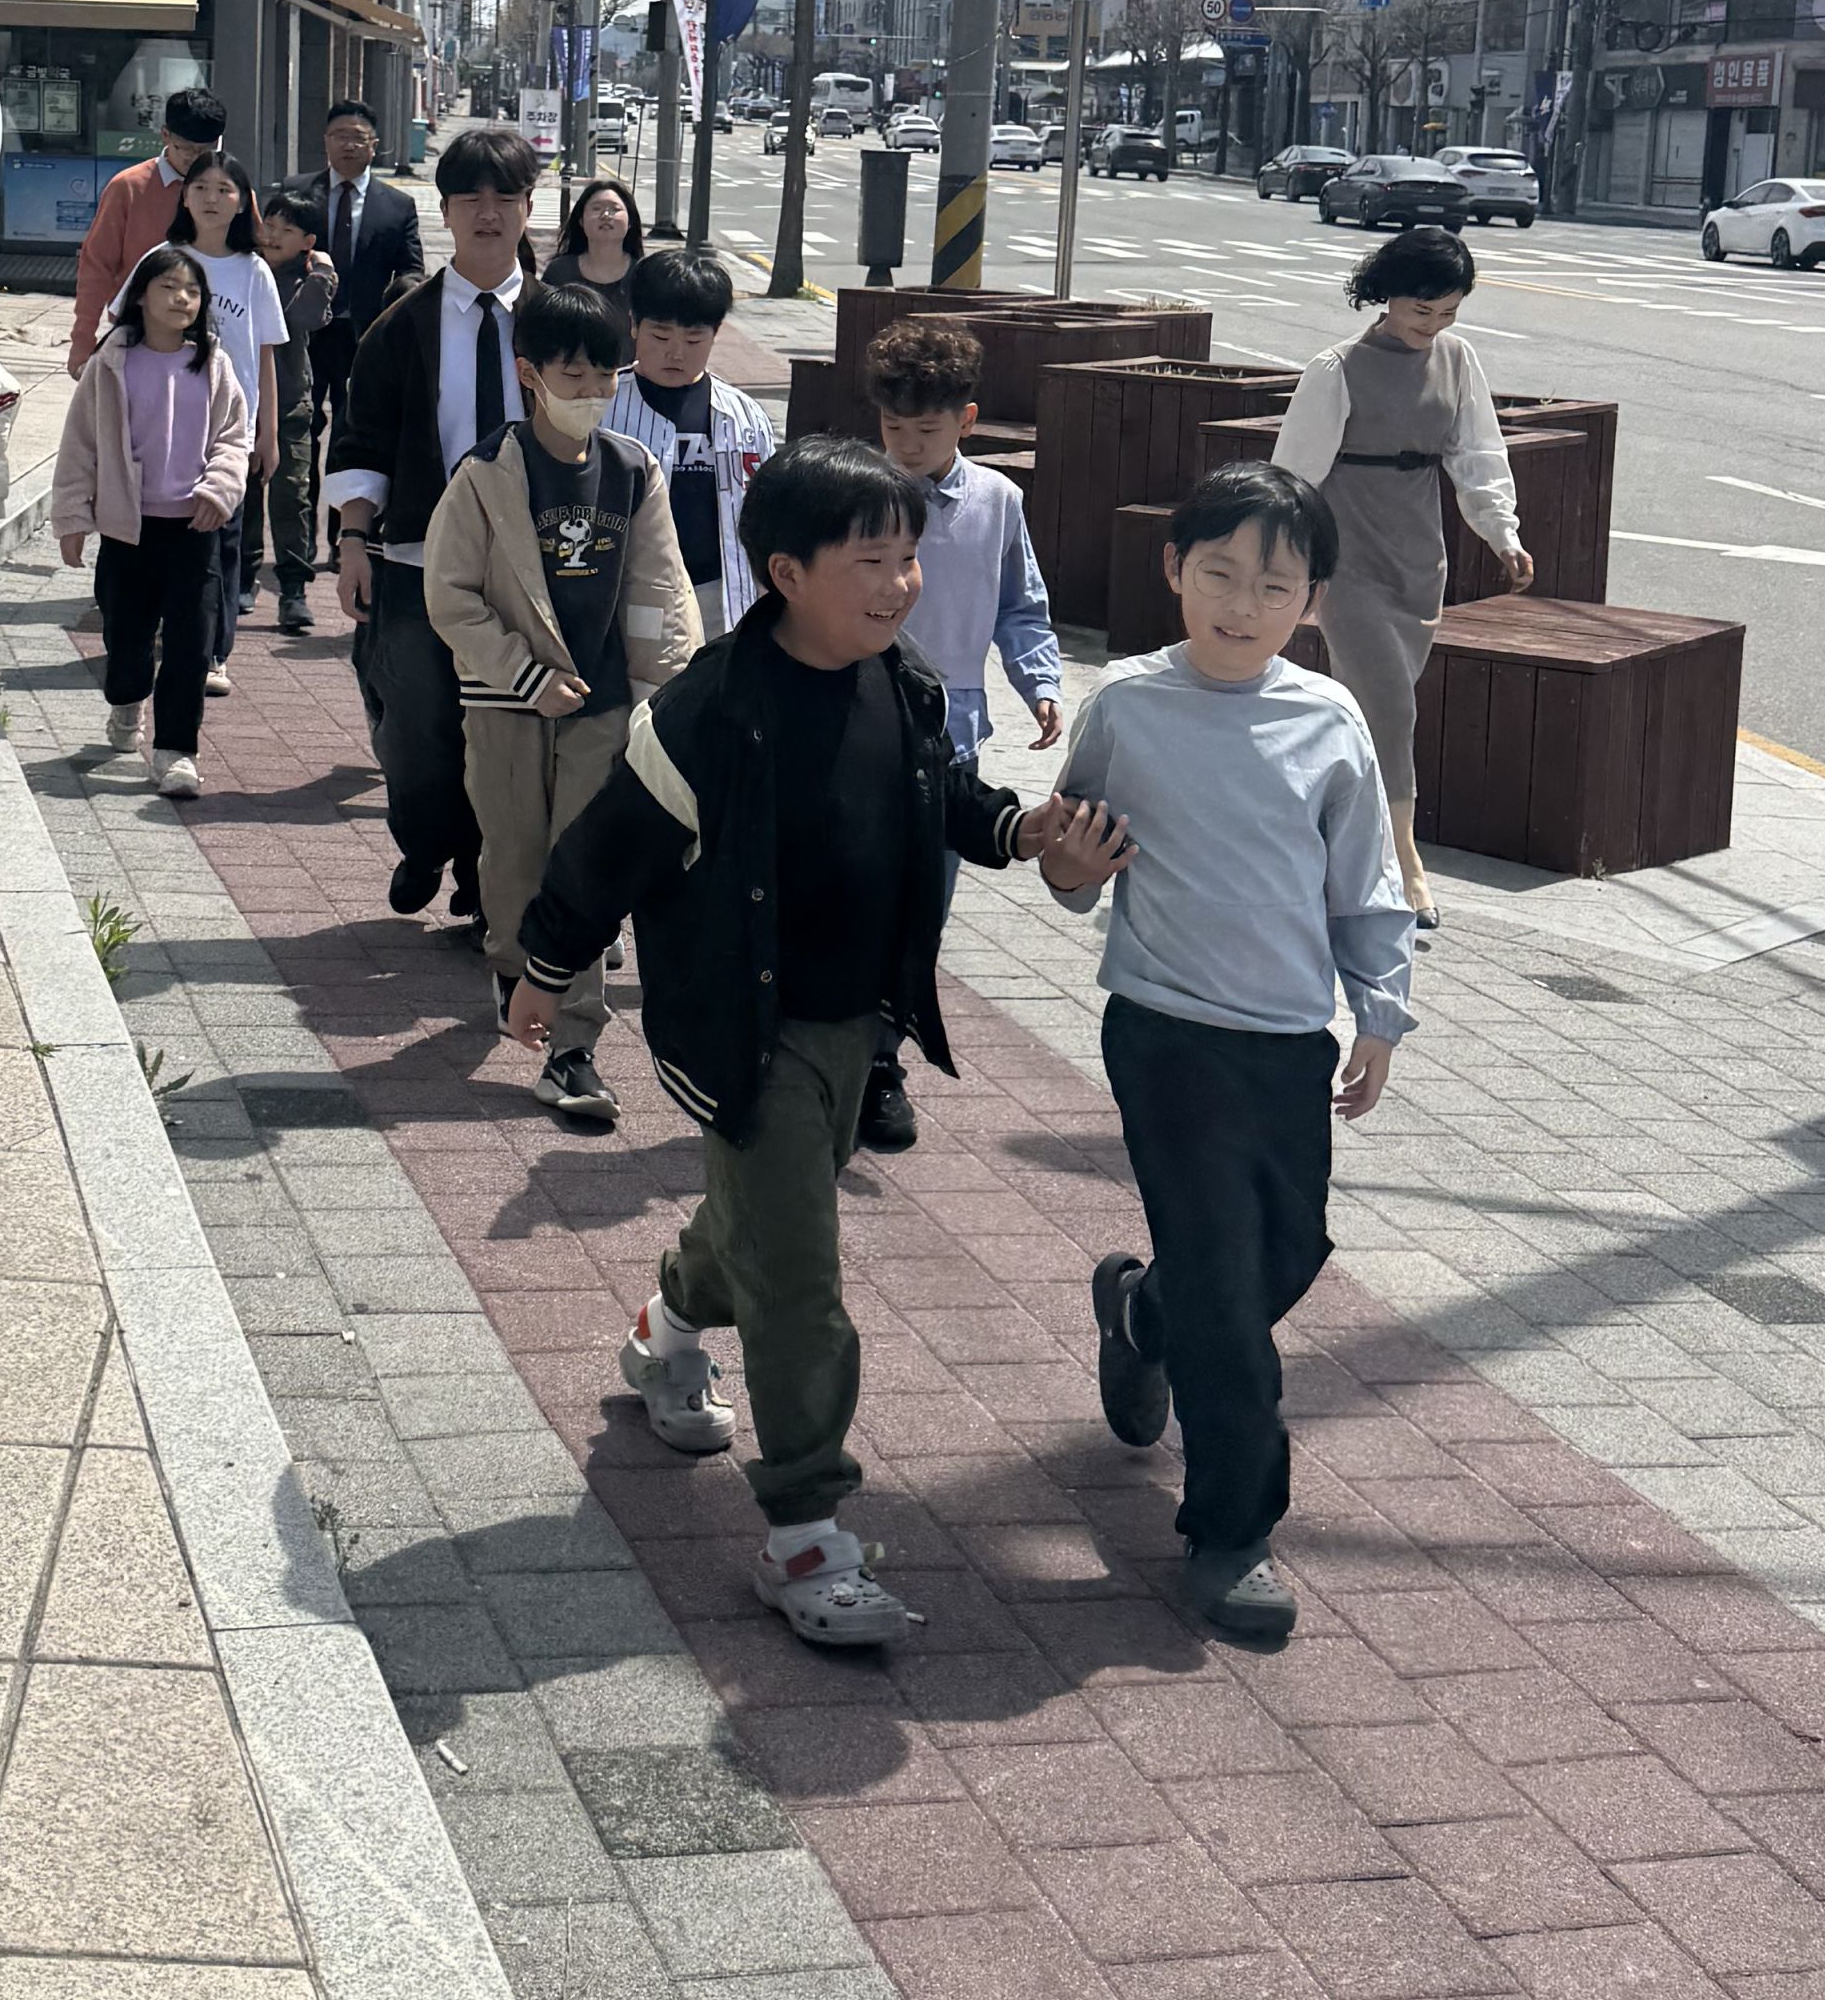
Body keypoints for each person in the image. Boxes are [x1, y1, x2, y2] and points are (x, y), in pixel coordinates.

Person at [505, 438, 1129, 1646]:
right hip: (745, 1028)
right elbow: (605, 849)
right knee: (799, 1275)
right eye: (871, 561)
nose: (901, 583)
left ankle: (665, 1329)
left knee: (760, 1217)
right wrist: (545, 964)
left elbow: (942, 795)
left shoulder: (901, 679)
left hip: (859, 1023)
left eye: (908, 557)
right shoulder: (708, 710)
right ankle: (804, 1533)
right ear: (786, 572)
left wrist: (1021, 826)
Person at [1056, 464, 1416, 1649]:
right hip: (1161, 1031)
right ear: (1174, 570)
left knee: (1284, 1253)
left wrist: (1379, 1011)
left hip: (1286, 1040)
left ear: (1310, 599)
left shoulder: (1329, 718)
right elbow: (1069, 856)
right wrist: (1067, 867)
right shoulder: (1128, 704)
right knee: (1226, 1289)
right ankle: (1230, 1531)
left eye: (1273, 584)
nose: (1241, 604)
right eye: (1218, 573)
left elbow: (1362, 880)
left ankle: (1142, 1310)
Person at [424, 280, 698, 1132]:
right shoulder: (485, 475)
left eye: (603, 374)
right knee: (513, 861)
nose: (589, 390)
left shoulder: (633, 469)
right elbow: (451, 597)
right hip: (506, 705)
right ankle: (515, 971)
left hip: (601, 706)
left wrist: (668, 694)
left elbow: (660, 589)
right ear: (529, 372)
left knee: (585, 868)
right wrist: (522, 675)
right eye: (571, 373)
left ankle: (571, 1044)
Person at [1273, 226, 1531, 930]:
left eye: (1448, 312)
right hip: (1347, 558)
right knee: (1390, 709)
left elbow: (1478, 455)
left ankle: (1326, 831)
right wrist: (1285, 562)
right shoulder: (1335, 369)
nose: (1434, 325)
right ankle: (1406, 865)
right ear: (1387, 294)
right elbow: (1293, 476)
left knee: (1369, 710)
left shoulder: (1458, 359)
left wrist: (1502, 534)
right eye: (1423, 310)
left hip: (1418, 556)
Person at [855, 314, 1066, 1154]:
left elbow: (1021, 604)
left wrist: (1039, 683)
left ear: (966, 421)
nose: (907, 446)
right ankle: (823, 1047)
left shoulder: (997, 502)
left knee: (923, 907)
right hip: (853, 721)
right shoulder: (850, 493)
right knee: (845, 893)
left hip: (950, 738)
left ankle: (881, 1062)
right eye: (893, 428)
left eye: (927, 430)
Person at [326, 120, 541, 928]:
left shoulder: (557, 322)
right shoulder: (402, 324)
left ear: (527, 208)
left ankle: (488, 888)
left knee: (512, 736)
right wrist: (354, 540)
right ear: (443, 211)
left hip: (530, 568)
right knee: (417, 730)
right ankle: (426, 844)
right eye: (469, 198)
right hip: (418, 558)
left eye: (504, 197)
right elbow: (362, 438)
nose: (487, 213)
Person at [50, 244, 254, 800]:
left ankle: (175, 753)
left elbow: (234, 436)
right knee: (126, 635)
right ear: (140, 296)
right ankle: (126, 702)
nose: (181, 298)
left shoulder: (213, 364)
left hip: (195, 527)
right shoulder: (111, 363)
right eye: (168, 287)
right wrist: (73, 516)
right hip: (128, 527)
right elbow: (81, 443)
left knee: (191, 642)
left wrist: (220, 488)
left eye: (192, 291)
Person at [608, 250, 774, 636]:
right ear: (633, 325)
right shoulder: (602, 408)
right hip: (627, 593)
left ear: (716, 333)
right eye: (661, 335)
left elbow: (768, 516)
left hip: (722, 596)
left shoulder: (745, 418)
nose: (676, 352)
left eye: (695, 338)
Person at [173, 151, 287, 694]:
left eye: (225, 189)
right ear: (184, 196)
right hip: (169, 426)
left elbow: (264, 356)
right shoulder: (164, 260)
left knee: (223, 540)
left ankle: (215, 652)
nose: (212, 199)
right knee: (172, 539)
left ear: (243, 203)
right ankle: (176, 636)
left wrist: (268, 434)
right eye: (201, 187)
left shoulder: (253, 271)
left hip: (229, 433)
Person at [69, 84, 228, 373]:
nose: (196, 158)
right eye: (186, 148)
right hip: (140, 334)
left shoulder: (232, 192)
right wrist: (83, 340)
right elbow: (97, 266)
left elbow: (256, 254)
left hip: (216, 333)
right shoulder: (128, 188)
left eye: (206, 149)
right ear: (165, 135)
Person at [292, 97, 423, 424]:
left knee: (354, 422)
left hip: (364, 331)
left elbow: (411, 271)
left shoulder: (398, 206)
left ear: (373, 145)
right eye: (340, 136)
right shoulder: (298, 192)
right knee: (298, 419)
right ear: (326, 141)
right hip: (304, 328)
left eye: (358, 138)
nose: (348, 145)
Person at [243, 187, 335, 636]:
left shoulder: (309, 279)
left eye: (287, 230)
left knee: (291, 496)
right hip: (243, 402)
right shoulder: (244, 268)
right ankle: (243, 578)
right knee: (243, 494)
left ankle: (294, 590)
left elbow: (305, 319)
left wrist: (323, 275)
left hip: (290, 404)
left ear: (308, 242)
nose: (274, 235)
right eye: (270, 225)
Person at [550, 172, 643, 318]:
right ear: (581, 220)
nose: (605, 215)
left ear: (630, 221)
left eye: (615, 209)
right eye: (596, 208)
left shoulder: (643, 275)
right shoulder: (559, 272)